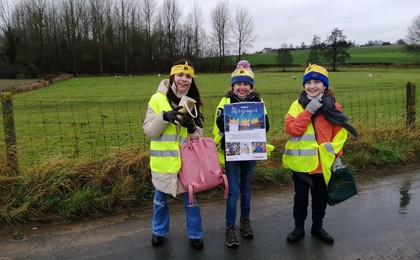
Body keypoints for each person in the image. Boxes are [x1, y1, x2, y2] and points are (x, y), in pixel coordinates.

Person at [282, 64, 358, 244]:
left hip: (323, 165)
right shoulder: (296, 106)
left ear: (325, 86)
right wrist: (308, 111)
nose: (312, 86)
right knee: (300, 199)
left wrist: (337, 157)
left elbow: (339, 135)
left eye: (317, 82)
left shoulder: (334, 106)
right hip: (301, 165)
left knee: (320, 198)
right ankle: (298, 227)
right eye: (308, 82)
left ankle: (317, 227)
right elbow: (292, 129)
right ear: (303, 85)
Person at [142, 59, 205, 249]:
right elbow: (149, 131)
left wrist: (193, 127)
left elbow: (199, 138)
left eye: (188, 76)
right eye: (180, 75)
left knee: (191, 201)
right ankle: (159, 231)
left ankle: (195, 234)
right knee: (160, 201)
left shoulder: (192, 104)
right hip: (164, 163)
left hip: (187, 165)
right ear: (172, 76)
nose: (184, 80)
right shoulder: (157, 99)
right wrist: (164, 117)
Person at [213, 60, 270, 248]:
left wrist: (257, 118)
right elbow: (220, 124)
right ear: (233, 86)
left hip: (251, 150)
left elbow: (266, 125)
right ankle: (230, 227)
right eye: (239, 84)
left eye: (246, 84)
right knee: (233, 191)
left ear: (251, 86)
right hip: (233, 152)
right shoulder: (226, 101)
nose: (242, 87)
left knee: (246, 187)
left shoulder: (259, 102)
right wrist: (233, 116)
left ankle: (245, 221)